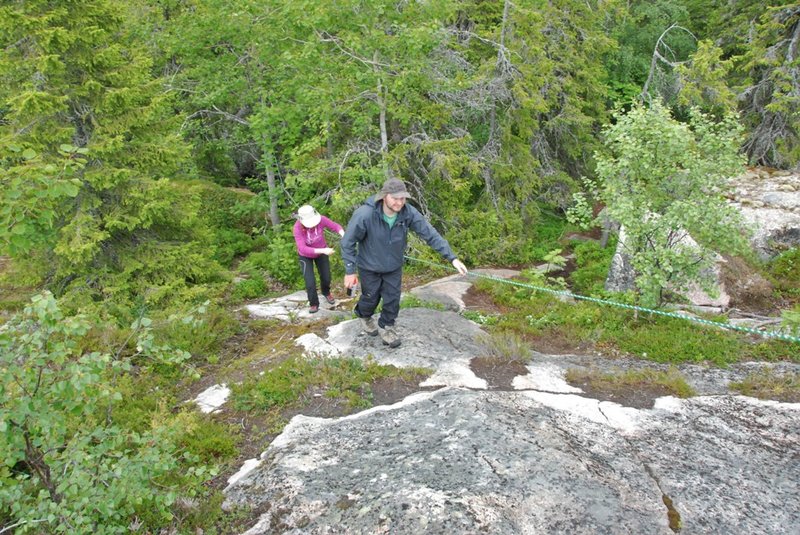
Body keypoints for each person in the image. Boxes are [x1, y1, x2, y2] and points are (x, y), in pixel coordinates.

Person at [341, 178, 468, 347]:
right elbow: (347, 241)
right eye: (395, 198)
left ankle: (386, 327)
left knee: (392, 299)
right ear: (385, 196)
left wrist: (452, 258)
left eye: (403, 198)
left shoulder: (408, 213)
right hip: (369, 267)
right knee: (370, 298)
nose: (399, 202)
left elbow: (429, 233)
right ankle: (363, 315)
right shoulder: (365, 214)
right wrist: (350, 271)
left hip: (393, 266)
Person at [293, 204, 345, 313]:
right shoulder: (297, 228)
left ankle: (326, 292)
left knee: (326, 277)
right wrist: (323, 250)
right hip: (305, 256)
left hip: (322, 253)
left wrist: (343, 234)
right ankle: (314, 303)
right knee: (310, 282)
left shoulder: (321, 220)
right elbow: (302, 248)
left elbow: (335, 226)